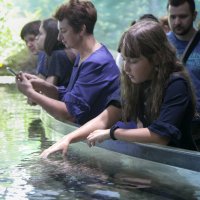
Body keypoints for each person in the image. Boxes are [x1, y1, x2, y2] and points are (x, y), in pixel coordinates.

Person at [40, 20, 197, 159]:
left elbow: (159, 136)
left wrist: (112, 133)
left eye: (134, 61)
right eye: (125, 60)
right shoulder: (134, 81)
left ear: (156, 58)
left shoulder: (176, 84)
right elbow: (104, 119)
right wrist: (67, 139)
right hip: (155, 159)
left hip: (183, 164)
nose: (126, 68)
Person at [16, 0, 120, 125]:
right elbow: (71, 97)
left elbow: (70, 113)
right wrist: (42, 86)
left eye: (63, 31)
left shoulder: (97, 62)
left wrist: (30, 93)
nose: (59, 37)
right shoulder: (83, 56)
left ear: (81, 29)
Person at [167, 0, 200, 115]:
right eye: (173, 17)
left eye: (183, 16)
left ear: (194, 15)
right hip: (169, 116)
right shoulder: (161, 44)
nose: (177, 22)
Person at [35, 18, 76, 87]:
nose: (36, 37)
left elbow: (47, 89)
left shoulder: (57, 55)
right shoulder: (64, 52)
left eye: (40, 33)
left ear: (50, 36)